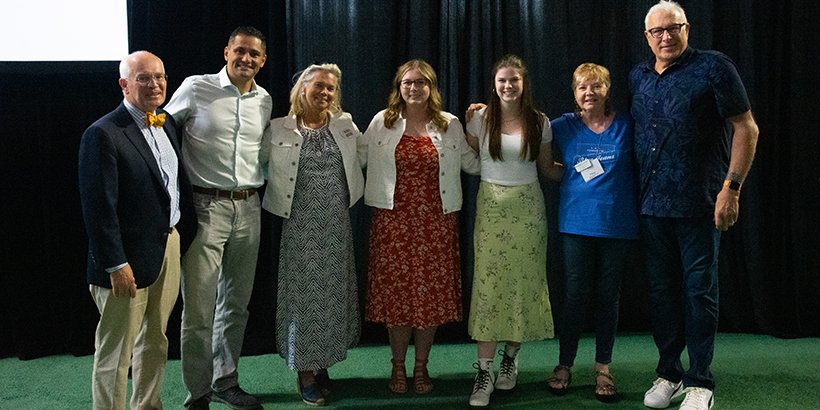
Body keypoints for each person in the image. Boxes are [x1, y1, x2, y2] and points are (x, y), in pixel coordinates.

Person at [631, 2, 759, 410]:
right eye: (657, 32)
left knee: (699, 292)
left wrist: (732, 188)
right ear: (647, 37)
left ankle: (700, 381)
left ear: (687, 29)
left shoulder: (714, 67)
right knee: (662, 293)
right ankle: (668, 372)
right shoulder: (639, 76)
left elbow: (747, 128)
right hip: (652, 206)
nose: (666, 37)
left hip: (702, 203)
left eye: (674, 28)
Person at [79, 51, 196, 410]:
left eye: (159, 77)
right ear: (124, 84)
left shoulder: (167, 124)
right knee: (117, 351)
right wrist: (116, 265)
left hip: (167, 248)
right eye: (143, 78)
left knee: (155, 340)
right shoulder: (103, 134)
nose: (154, 84)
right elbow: (98, 210)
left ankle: (147, 405)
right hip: (124, 262)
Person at [164, 26, 273, 410]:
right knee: (198, 309)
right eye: (239, 50)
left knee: (235, 305)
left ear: (263, 60)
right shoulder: (196, 88)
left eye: (254, 54)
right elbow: (162, 130)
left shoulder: (265, 100)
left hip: (249, 207)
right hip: (205, 208)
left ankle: (226, 380)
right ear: (226, 51)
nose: (246, 59)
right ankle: (198, 394)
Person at [362, 59, 480, 395]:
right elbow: (355, 157)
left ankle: (421, 367)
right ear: (399, 87)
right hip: (393, 224)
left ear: (431, 87)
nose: (414, 88)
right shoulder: (381, 123)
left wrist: (487, 131)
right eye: (407, 82)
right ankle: (398, 366)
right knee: (398, 299)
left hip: (436, 224)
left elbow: (472, 163)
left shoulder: (449, 124)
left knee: (429, 299)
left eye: (421, 82)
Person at [260, 63, 364, 406]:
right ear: (302, 88)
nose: (325, 93)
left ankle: (321, 366)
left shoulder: (345, 125)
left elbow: (367, 155)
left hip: (336, 227)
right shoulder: (279, 128)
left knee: (332, 296)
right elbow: (256, 164)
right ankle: (304, 372)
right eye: (319, 86)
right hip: (300, 227)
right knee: (303, 299)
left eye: (331, 88)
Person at [462, 55, 555, 407]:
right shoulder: (479, 119)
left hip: (529, 212)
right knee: (488, 285)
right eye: (502, 80)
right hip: (490, 210)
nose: (508, 86)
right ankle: (483, 372)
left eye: (514, 80)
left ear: (523, 83)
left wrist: (588, 173)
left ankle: (509, 362)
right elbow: (471, 158)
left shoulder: (540, 122)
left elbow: (547, 168)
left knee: (521, 283)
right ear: (494, 84)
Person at [545, 63, 638, 403]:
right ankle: (564, 365)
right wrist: (482, 115)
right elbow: (523, 131)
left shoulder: (627, 125)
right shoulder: (563, 127)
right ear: (574, 93)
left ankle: (603, 368)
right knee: (575, 296)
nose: (589, 93)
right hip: (575, 223)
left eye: (596, 86)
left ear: (606, 90)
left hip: (617, 224)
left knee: (608, 297)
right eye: (583, 87)